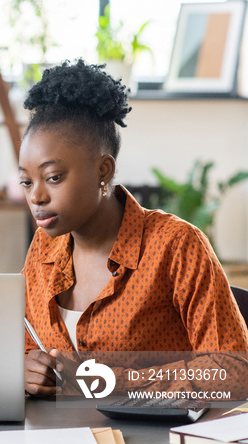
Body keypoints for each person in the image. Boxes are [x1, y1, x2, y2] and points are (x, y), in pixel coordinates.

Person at [18, 59, 248, 398]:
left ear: (103, 171)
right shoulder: (43, 248)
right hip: (58, 441)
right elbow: (26, 346)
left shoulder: (176, 245)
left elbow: (233, 370)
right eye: (26, 181)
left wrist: (112, 382)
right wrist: (27, 369)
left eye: (53, 178)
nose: (36, 196)